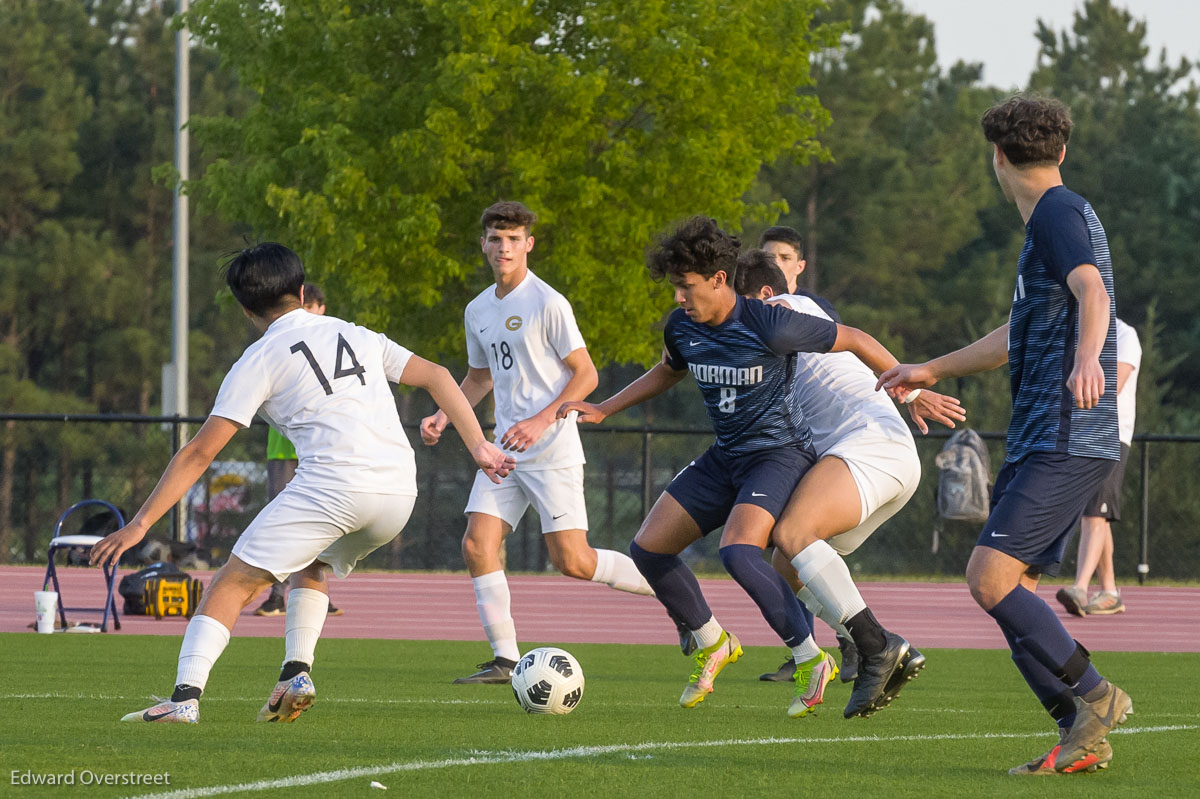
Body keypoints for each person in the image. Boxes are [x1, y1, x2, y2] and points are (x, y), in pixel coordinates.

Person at [90, 243, 514, 723]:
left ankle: (184, 699)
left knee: (231, 583)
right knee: (312, 561)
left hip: (334, 487)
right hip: (398, 492)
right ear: (299, 290)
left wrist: (141, 524)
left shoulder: (258, 359)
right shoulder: (355, 333)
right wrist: (479, 446)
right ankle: (296, 670)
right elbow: (438, 375)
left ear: (246, 309)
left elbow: (200, 452)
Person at [559, 216, 918, 719]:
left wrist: (911, 387)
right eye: (676, 287)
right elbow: (668, 370)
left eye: (687, 287)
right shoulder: (681, 325)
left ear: (719, 280)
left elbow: (854, 337)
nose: (680, 297)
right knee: (649, 548)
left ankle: (809, 658)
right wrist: (604, 407)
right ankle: (712, 641)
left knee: (739, 551)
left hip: (780, 455)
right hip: (726, 455)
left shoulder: (769, 321)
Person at [878, 95, 1132, 775]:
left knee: (988, 577)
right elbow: (1014, 334)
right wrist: (932, 365)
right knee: (1005, 584)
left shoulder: (1055, 211)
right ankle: (1079, 730)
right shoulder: (1052, 223)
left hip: (1065, 433)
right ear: (1061, 150)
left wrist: (1086, 358)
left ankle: (1094, 695)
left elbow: (1095, 293)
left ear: (996, 157)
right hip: (1043, 435)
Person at [420, 201, 655, 686]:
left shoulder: (548, 302)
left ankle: (672, 592)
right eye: (494, 238)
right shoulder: (478, 309)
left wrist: (542, 419)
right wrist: (445, 413)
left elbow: (586, 375)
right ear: (483, 244)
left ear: (529, 243)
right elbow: (479, 378)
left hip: (551, 449)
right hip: (504, 452)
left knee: (573, 561)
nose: (503, 247)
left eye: (513, 239)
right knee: (477, 543)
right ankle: (505, 660)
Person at [735, 252, 966, 717]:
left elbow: (857, 338)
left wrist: (915, 391)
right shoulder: (776, 326)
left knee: (793, 534)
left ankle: (876, 644)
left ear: (763, 294)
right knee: (786, 562)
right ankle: (862, 641)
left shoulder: (783, 308)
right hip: (880, 455)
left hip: (870, 445)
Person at [253, 283, 343, 617]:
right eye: (306, 307)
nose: (309, 314)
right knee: (282, 518)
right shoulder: (279, 345)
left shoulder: (333, 344)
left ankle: (316, 591)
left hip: (318, 450)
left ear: (322, 309)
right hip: (284, 449)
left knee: (318, 521)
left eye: (316, 308)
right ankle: (277, 594)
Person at [1057, 318, 1141, 617]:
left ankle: (1079, 587)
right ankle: (1108, 590)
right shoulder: (1076, 332)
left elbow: (1112, 386)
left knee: (1094, 514)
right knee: (1095, 513)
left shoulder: (1124, 334)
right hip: (1081, 435)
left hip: (1111, 435)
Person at [759, 225, 808, 292]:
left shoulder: (813, 302)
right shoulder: (745, 300)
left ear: (799, 267)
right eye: (768, 257)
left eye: (784, 258)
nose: (775, 263)